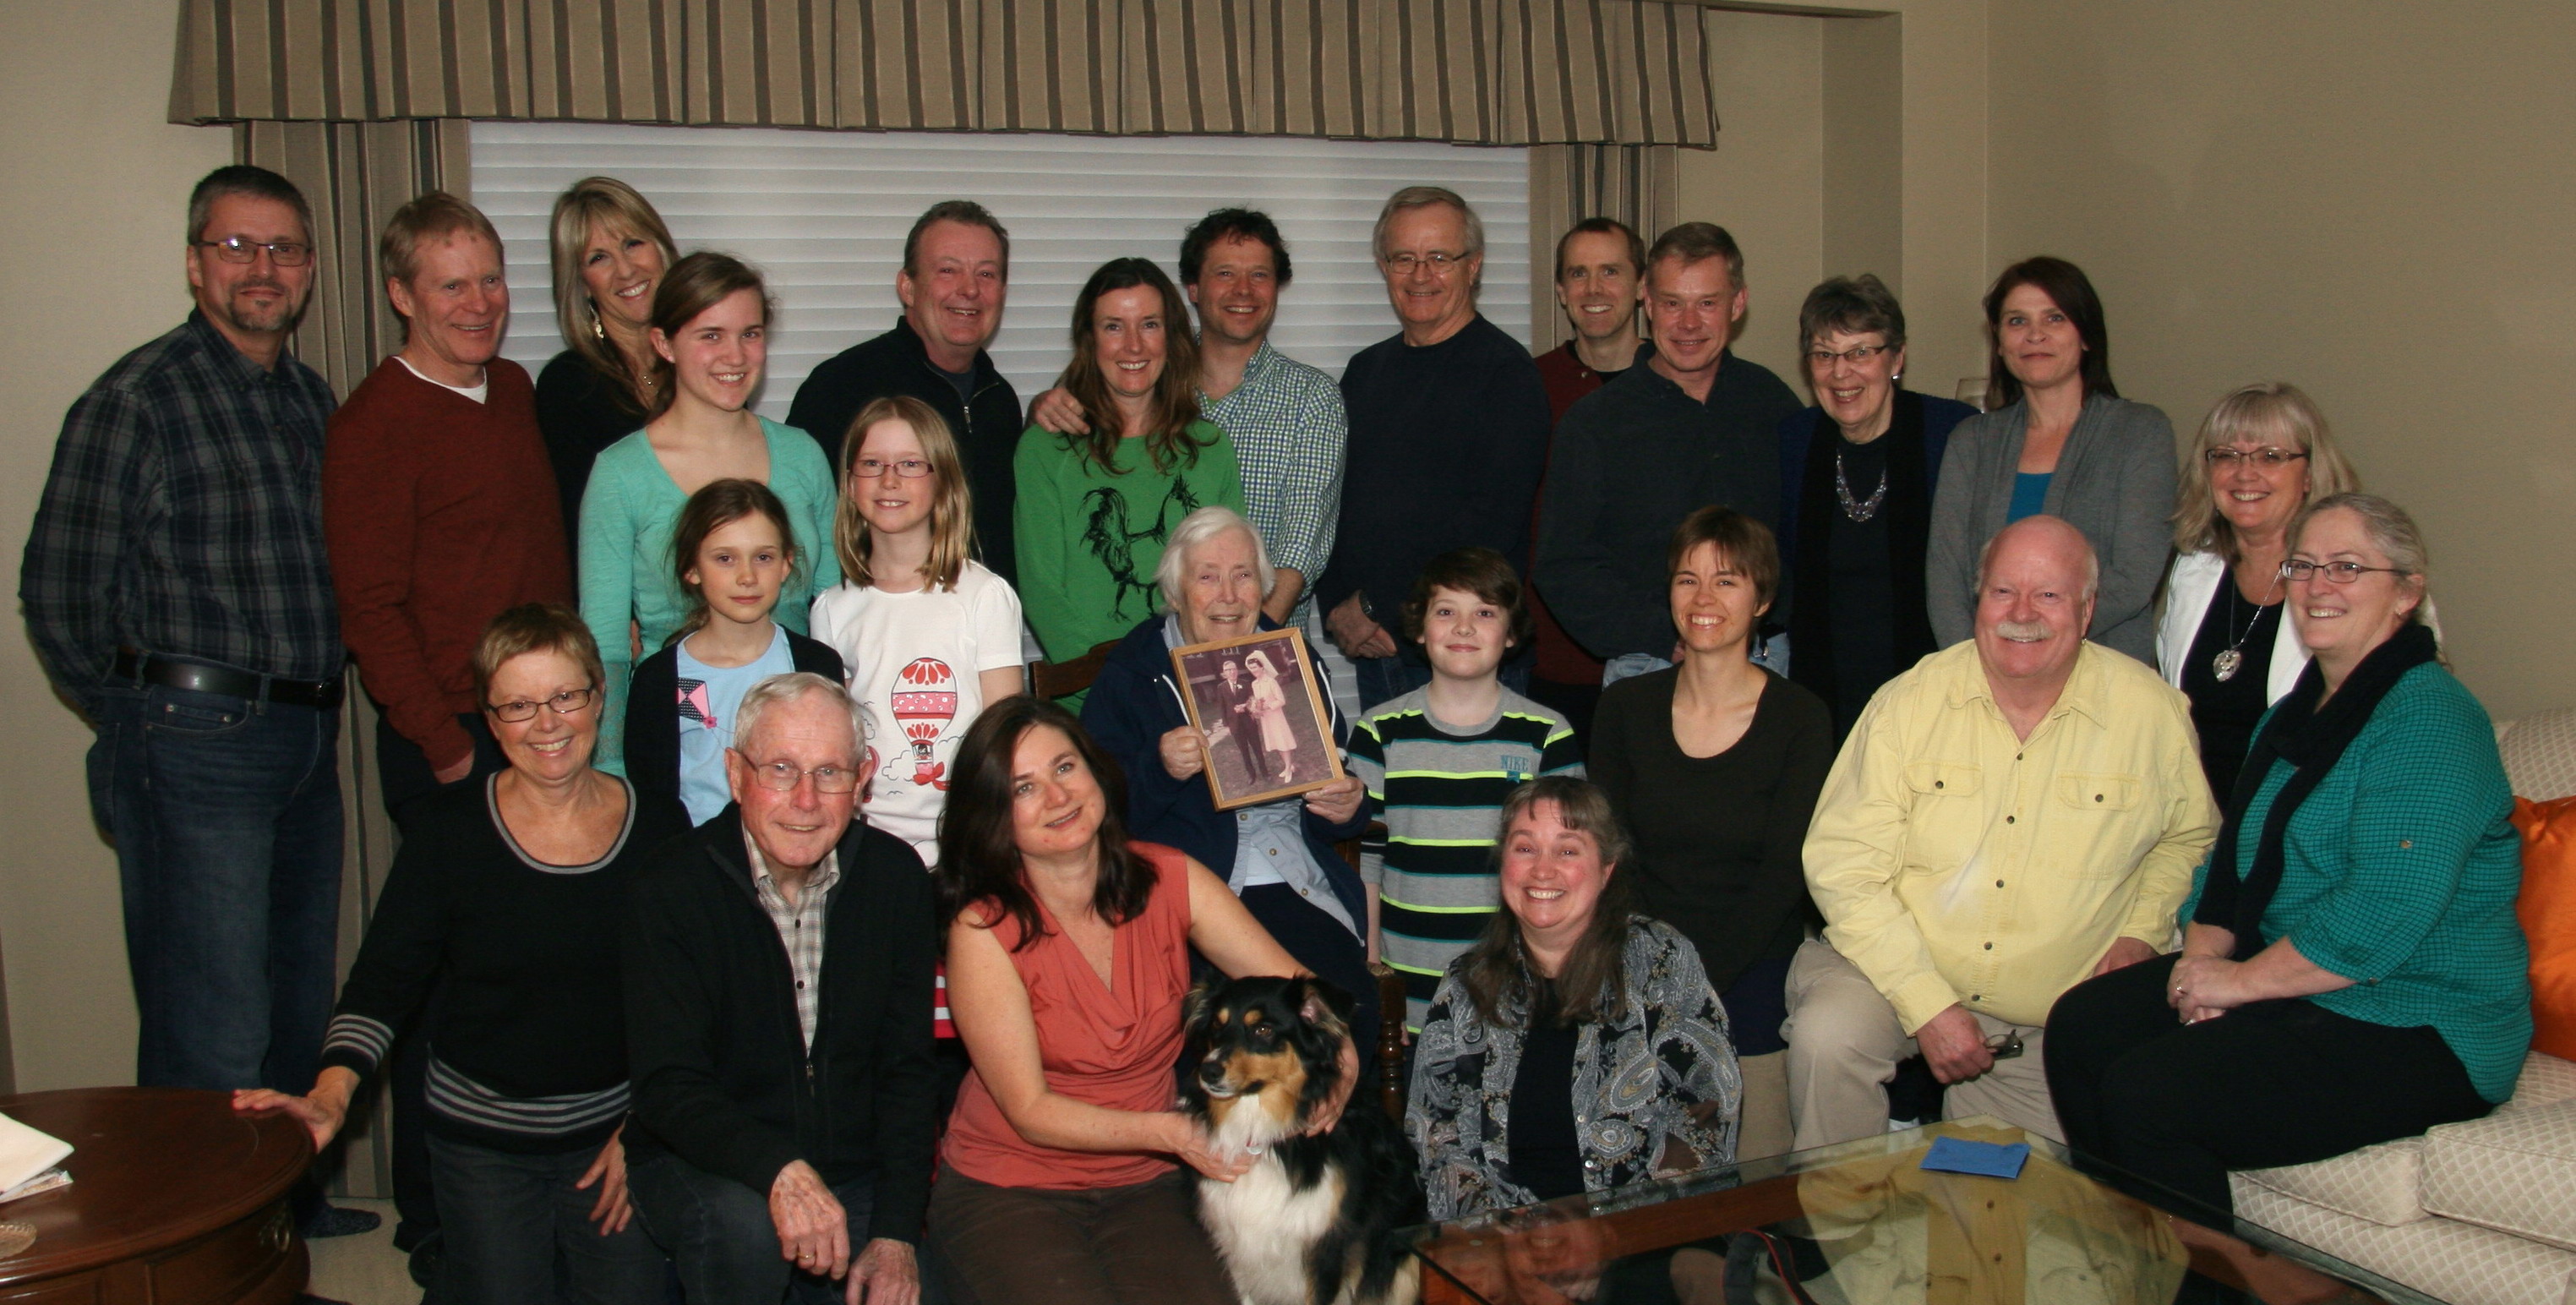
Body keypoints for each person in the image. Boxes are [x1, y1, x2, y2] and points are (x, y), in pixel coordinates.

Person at [2049, 494, 2530, 1304]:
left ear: (2406, 592)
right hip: (2310, 988)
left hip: (2422, 1020)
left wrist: (2239, 984)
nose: (2317, 585)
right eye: (2303, 566)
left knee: (2152, 1096)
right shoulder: (2293, 716)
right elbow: (2231, 862)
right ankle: (2139, 1275)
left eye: (2347, 567)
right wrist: (2199, 964)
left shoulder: (2432, 721)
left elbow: (2379, 916)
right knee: (2083, 1025)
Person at [21, 167, 355, 1157]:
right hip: (192, 742)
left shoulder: (311, 399)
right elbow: (60, 593)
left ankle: (278, 1215)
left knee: (296, 1001)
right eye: (237, 246)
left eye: (284, 249)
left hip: (307, 736)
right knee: (210, 1024)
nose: (263, 268)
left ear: (309, 269)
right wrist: (145, 713)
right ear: (194, 262)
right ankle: (207, 1229)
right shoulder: (137, 400)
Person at [235, 604, 686, 1304]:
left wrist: (648, 1128)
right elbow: (382, 982)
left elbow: (689, 999)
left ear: (600, 695)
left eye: (565, 696)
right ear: (490, 719)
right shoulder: (449, 833)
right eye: (518, 705)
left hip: (615, 1140)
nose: (547, 723)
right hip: (482, 1147)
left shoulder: (659, 824)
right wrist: (331, 1093)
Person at [1787, 516, 2217, 1149]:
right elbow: (1842, 866)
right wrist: (1929, 1004)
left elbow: (2190, 839)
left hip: (2044, 1019)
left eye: (2049, 594)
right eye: (2003, 591)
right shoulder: (1908, 702)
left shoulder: (2149, 712)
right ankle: (1835, 1209)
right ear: (1978, 600)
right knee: (1830, 1037)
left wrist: (2141, 931)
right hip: (1891, 970)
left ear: (2087, 609)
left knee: (2000, 1202)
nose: (2022, 614)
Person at [927, 696, 1357, 1305]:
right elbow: (1029, 1110)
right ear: (994, 815)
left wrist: (1344, 1053)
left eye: (1065, 767)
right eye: (1024, 787)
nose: (1058, 796)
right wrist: (1176, 1133)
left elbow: (1296, 985)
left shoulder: (1171, 878)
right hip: (1011, 1185)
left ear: (1097, 772)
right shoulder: (982, 930)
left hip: (1148, 1181)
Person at [622, 672, 936, 1304]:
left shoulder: (896, 878)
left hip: (854, 1170)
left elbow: (907, 1071)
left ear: (863, 778)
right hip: (709, 1163)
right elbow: (668, 1084)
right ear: (736, 775)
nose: (806, 800)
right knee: (744, 1231)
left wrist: (896, 1233)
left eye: (829, 773)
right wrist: (780, 1171)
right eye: (781, 770)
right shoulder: (669, 887)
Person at [1078, 507, 1377, 1053]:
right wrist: (1160, 769)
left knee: (1345, 1011)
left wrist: (1347, 804)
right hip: (1188, 891)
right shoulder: (1134, 671)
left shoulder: (1292, 657)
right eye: (1208, 577)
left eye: (1243, 576)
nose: (1229, 596)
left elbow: (1341, 791)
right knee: (1205, 1035)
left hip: (1293, 875)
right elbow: (1096, 814)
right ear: (1175, 591)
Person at [1588, 508, 1832, 1160]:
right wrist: (1656, 969)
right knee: (1629, 1162)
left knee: (1753, 1171)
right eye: (1686, 579)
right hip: (1639, 954)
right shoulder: (1624, 707)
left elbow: (1784, 874)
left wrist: (1697, 980)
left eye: (1727, 581)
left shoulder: (1801, 718)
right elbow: (1611, 857)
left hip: (1750, 961)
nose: (1703, 599)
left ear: (1763, 599)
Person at [327, 191, 572, 827]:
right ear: (402, 296)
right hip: (456, 733)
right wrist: (445, 746)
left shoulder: (513, 388)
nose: (480, 304)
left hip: (546, 713)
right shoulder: (371, 426)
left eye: (490, 279)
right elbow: (369, 610)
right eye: (452, 286)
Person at [1408, 776, 1740, 1220]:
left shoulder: (1662, 961)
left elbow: (1708, 1112)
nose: (1542, 870)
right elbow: (1435, 1136)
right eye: (1525, 848)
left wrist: (1613, 1230)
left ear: (1606, 870)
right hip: (1504, 1239)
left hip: (1644, 1229)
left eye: (1567, 851)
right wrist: (1509, 1234)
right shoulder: (1465, 984)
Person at [578, 252, 841, 772]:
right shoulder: (620, 475)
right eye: (711, 335)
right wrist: (613, 775)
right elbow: (606, 648)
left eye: (750, 334)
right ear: (664, 344)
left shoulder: (802, 456)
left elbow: (837, 611)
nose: (734, 355)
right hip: (681, 737)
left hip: (798, 738)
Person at [1029, 208, 1348, 626]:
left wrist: (1239, 644)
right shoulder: (1140, 373)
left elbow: (1300, 547)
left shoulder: (1312, 398)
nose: (1243, 290)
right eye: (1225, 273)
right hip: (1139, 641)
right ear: (1193, 288)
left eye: (1259, 275)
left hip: (1260, 640)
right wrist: (1041, 407)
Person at [1537, 222, 1802, 685]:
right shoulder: (1596, 422)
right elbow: (1562, 565)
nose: (1689, 324)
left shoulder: (1771, 403)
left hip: (1763, 658)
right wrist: (1666, 634)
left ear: (1738, 303)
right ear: (1647, 299)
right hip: (1649, 662)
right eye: (1672, 303)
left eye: (1707, 303)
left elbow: (1803, 538)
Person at [1316, 186, 1551, 707]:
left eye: (1440, 258)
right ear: (1384, 267)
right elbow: (1332, 503)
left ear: (1474, 266)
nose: (1420, 275)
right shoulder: (1365, 372)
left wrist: (1374, 606)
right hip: (1380, 652)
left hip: (1467, 657)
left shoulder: (1507, 376)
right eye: (1404, 258)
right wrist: (1338, 608)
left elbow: (1488, 530)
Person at [1345, 547, 1584, 1032]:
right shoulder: (1378, 733)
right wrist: (1374, 975)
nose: (1464, 628)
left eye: (1485, 613)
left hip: (1517, 989)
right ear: (1419, 627)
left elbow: (1573, 867)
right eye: (1446, 611)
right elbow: (1366, 863)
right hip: (1408, 988)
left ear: (1512, 633)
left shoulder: (1547, 735)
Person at [1926, 257, 2176, 663]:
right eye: (2017, 321)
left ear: (2087, 335)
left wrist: (2029, 642)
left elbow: (2134, 577)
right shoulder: (1971, 442)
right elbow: (1946, 578)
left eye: (2054, 318)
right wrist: (1979, 664)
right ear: (1999, 341)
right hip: (1982, 673)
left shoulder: (2140, 433)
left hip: (2104, 673)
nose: (2035, 335)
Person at [810, 395, 1026, 860]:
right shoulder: (831, 608)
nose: (889, 480)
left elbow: (1005, 738)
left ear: (942, 480)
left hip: (965, 842)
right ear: (849, 482)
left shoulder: (984, 596)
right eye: (872, 464)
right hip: (865, 845)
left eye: (910, 464)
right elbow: (833, 741)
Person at [1013, 257, 1247, 683]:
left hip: (1194, 691)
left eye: (1150, 325)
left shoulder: (1211, 449)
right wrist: (1119, 688)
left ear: (1171, 336)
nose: (1134, 346)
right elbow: (1042, 591)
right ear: (1089, 339)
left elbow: (1229, 589)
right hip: (1089, 693)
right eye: (1114, 327)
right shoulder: (1044, 450)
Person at [1776, 275, 1978, 738]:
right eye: (1824, 355)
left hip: (1935, 691)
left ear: (1897, 358)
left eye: (1860, 352)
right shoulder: (1793, 442)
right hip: (1821, 691)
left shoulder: (1952, 435)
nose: (1841, 373)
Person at [789, 200, 1023, 582]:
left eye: (986, 274)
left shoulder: (999, 400)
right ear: (908, 287)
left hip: (983, 613)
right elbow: (803, 533)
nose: (969, 289)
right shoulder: (840, 387)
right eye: (948, 270)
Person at [2156, 382, 2358, 800]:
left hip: (2303, 819)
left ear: (2309, 474)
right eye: (2226, 455)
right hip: (2197, 823)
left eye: (2271, 456)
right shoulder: (2193, 567)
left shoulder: (2356, 577)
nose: (2245, 473)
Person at [625, 479, 845, 825]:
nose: (747, 576)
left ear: (786, 564)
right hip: (696, 853)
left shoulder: (816, 666)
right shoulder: (659, 679)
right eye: (725, 558)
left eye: (763, 557)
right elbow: (652, 797)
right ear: (692, 568)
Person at [1525, 217, 1650, 731]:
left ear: (1641, 286)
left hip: (1660, 654)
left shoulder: (1678, 381)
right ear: (1560, 290)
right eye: (1578, 274)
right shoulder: (1530, 386)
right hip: (1553, 657)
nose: (1594, 289)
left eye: (1610, 272)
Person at [536, 177, 681, 549]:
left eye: (633, 243)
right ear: (582, 283)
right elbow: (585, 531)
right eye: (598, 258)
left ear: (661, 248)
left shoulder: (704, 362)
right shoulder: (569, 386)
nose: (626, 270)